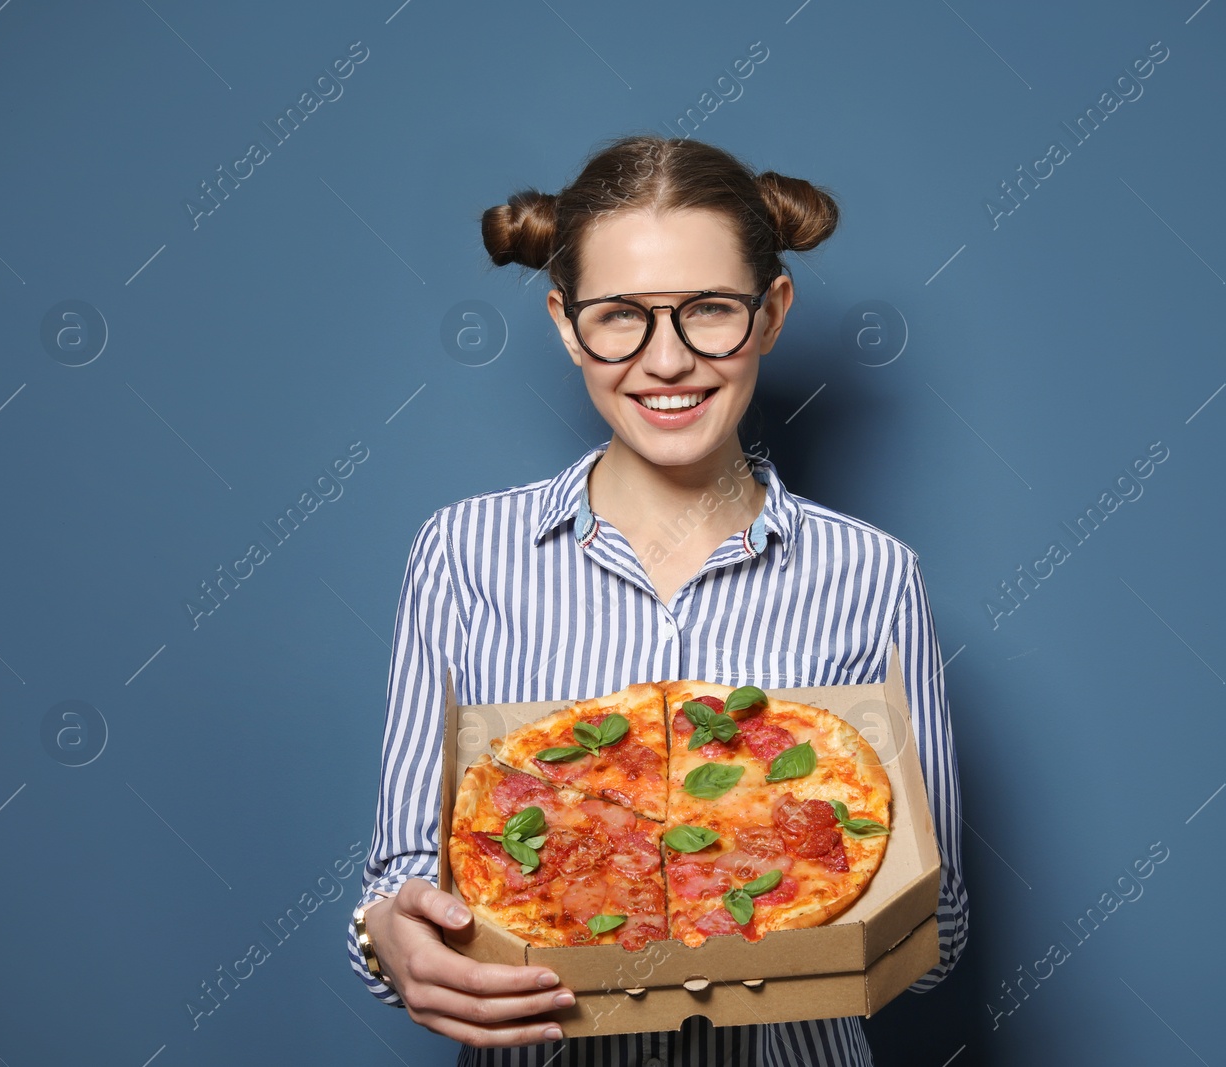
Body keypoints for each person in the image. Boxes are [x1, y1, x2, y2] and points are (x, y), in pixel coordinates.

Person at [346, 133, 968, 1064]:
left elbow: (941, 931)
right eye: (620, 316)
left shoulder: (875, 573)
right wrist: (387, 937)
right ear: (565, 322)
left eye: (709, 309)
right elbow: (398, 879)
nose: (666, 359)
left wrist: (791, 882)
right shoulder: (462, 553)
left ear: (771, 313)